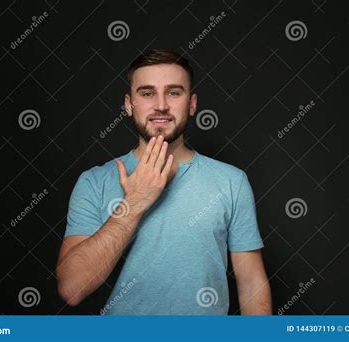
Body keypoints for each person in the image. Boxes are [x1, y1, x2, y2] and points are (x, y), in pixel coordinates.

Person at [56, 49, 272, 315]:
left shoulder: (231, 181)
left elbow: (251, 283)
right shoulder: (94, 182)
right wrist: (135, 201)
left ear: (192, 104)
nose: (160, 105)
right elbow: (72, 289)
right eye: (147, 93)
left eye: (174, 92)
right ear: (128, 104)